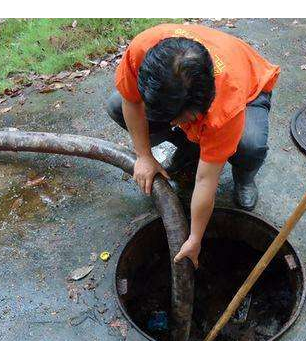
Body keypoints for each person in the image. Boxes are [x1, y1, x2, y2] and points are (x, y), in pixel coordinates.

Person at [106, 23, 280, 268]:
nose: (173, 123)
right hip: (188, 99)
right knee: (116, 105)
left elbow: (205, 181)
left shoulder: (225, 107)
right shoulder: (143, 49)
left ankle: (245, 176)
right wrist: (144, 156)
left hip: (250, 90)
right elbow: (130, 102)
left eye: (181, 119)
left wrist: (195, 238)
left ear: (204, 102)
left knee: (249, 145)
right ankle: (190, 148)